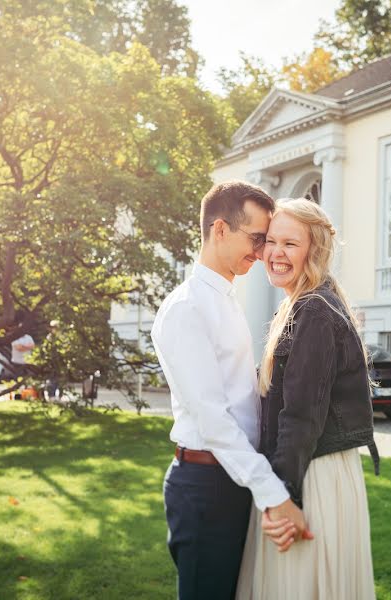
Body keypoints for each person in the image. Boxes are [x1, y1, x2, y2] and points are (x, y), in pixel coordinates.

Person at [151, 181, 311, 600]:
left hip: (229, 480)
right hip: (205, 486)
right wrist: (274, 497)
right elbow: (214, 420)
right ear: (220, 230)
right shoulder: (188, 308)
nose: (262, 253)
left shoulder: (224, 298)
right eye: (256, 239)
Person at [236, 198, 379, 600]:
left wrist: (283, 498)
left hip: (312, 475)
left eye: (290, 244)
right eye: (271, 242)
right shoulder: (303, 303)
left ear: (313, 251)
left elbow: (301, 416)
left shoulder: (314, 310)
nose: (275, 254)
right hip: (311, 469)